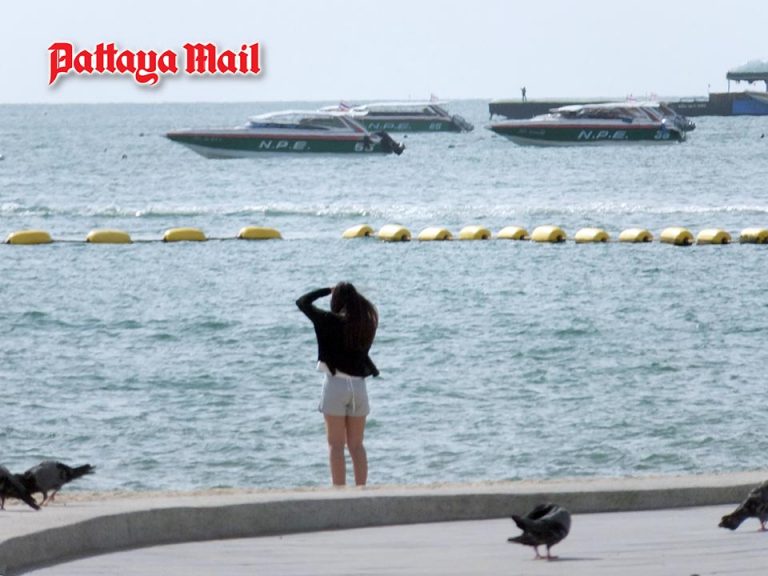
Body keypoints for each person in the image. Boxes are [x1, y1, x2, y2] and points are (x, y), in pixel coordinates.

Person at [296, 282, 379, 486]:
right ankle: (361, 490)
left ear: (337, 301)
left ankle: (339, 491)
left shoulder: (328, 320)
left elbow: (302, 302)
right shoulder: (365, 323)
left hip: (335, 385)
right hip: (359, 387)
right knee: (357, 445)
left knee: (336, 445)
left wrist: (327, 290)